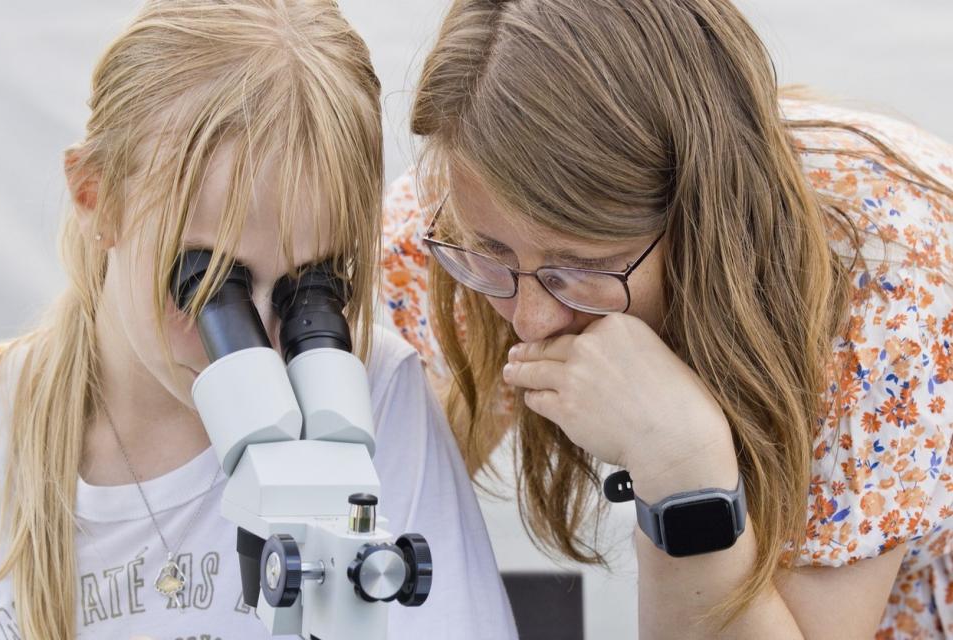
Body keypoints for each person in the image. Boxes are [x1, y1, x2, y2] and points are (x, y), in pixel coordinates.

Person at [380, 0, 953, 637]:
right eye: (493, 253)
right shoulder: (454, 222)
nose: (532, 321)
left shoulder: (879, 300)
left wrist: (679, 464)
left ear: (695, 222)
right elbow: (390, 501)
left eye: (582, 266)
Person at [0, 1, 518, 638]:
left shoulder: (376, 397)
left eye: (313, 288)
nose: (263, 341)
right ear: (96, 198)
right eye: (211, 279)